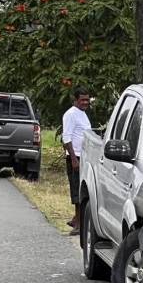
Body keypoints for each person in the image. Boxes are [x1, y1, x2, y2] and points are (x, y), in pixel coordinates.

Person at [61, 87, 91, 236]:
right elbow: (66, 138)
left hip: (84, 157)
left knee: (82, 190)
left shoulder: (83, 114)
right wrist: (73, 159)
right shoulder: (71, 114)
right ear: (75, 100)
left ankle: (76, 219)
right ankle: (78, 225)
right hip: (75, 158)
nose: (85, 102)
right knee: (77, 193)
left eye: (87, 100)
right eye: (82, 100)